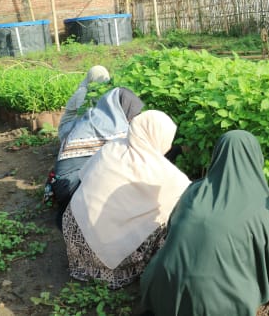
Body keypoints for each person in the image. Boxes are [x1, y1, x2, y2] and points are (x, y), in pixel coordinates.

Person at [140, 130, 269, 316]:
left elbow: (172, 229)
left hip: (163, 292)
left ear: (217, 155)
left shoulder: (194, 191)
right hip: (219, 307)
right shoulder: (261, 207)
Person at [62, 110, 191, 289]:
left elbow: (84, 177)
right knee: (168, 218)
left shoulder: (111, 148)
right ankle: (123, 271)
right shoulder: (168, 176)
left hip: (74, 234)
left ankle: (86, 267)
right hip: (106, 258)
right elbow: (189, 199)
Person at [49, 66, 144, 230]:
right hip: (70, 186)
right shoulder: (112, 129)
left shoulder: (96, 117)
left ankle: (72, 216)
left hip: (64, 182)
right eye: (131, 112)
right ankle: (77, 220)